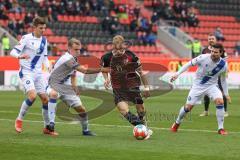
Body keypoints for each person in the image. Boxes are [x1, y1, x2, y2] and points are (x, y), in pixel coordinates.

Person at [46, 38, 108, 136]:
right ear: (69, 48)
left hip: (66, 87)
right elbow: (85, 71)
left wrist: (75, 87)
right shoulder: (67, 58)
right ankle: (51, 124)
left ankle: (86, 130)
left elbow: (73, 74)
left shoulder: (74, 59)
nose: (78, 51)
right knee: (53, 94)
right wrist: (103, 69)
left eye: (79, 49)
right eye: (76, 49)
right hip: (53, 84)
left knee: (81, 110)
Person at [170, 43, 231, 135]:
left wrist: (226, 94)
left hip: (212, 86)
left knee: (220, 102)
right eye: (212, 51)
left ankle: (220, 128)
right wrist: (177, 74)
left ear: (221, 53)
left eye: (216, 52)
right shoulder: (203, 58)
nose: (213, 53)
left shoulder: (223, 65)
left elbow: (223, 80)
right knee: (188, 108)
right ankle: (177, 122)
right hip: (198, 86)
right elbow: (188, 64)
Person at [100, 35, 153, 139]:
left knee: (141, 109)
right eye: (116, 49)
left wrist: (146, 88)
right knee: (123, 110)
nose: (119, 51)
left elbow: (141, 72)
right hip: (118, 88)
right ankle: (142, 128)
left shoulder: (131, 56)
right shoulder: (107, 57)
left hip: (133, 86)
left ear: (124, 45)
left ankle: (143, 124)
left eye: (121, 49)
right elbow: (103, 69)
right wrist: (106, 79)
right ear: (113, 46)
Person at [10, 17, 53, 135]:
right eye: (41, 28)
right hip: (26, 72)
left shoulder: (44, 40)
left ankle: (46, 128)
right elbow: (13, 52)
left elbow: (44, 57)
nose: (43, 30)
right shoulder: (26, 38)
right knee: (33, 96)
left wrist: (48, 65)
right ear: (34, 28)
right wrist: (20, 56)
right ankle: (19, 119)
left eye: (44, 28)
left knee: (45, 99)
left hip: (38, 74)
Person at [199, 34, 230, 117]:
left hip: (218, 75)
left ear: (215, 40)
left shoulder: (221, 49)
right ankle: (206, 111)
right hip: (208, 76)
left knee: (222, 92)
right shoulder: (204, 50)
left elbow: (225, 61)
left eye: (212, 39)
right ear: (208, 40)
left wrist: (226, 71)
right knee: (206, 92)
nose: (211, 40)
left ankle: (225, 111)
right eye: (209, 39)